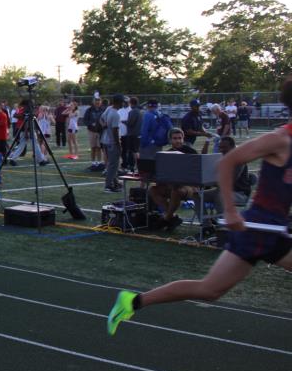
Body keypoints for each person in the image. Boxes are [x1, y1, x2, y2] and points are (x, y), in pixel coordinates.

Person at [107, 78, 292, 336]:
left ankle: (132, 302)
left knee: (209, 290)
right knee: (208, 289)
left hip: (274, 229)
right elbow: (227, 162)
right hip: (257, 229)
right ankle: (132, 301)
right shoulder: (280, 140)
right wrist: (230, 210)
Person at [147, 128, 199, 231]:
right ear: (170, 140)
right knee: (152, 190)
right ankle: (172, 217)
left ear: (183, 139)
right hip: (170, 185)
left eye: (180, 138)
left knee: (176, 191)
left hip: (189, 186)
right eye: (175, 138)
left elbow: (196, 173)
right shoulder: (166, 154)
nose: (178, 141)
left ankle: (166, 219)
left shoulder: (191, 152)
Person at [100, 94, 123, 192]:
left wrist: (104, 125)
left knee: (112, 164)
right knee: (113, 165)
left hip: (105, 140)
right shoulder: (116, 114)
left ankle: (115, 182)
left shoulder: (109, 109)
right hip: (112, 142)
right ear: (119, 102)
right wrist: (118, 144)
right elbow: (115, 130)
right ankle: (108, 186)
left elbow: (101, 119)